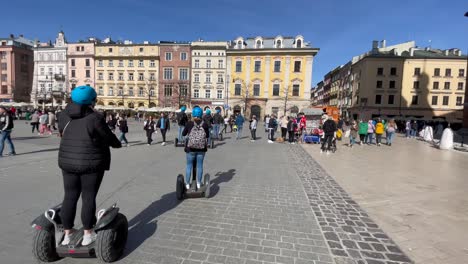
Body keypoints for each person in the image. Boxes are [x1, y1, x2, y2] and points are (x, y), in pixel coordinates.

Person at [57, 86, 121, 246]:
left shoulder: (63, 115)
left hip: (68, 162)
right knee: (88, 197)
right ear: (92, 100)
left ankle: (67, 234)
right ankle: (88, 234)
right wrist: (116, 144)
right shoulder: (95, 118)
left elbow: (62, 132)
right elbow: (108, 137)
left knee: (69, 196)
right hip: (91, 164)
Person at [182, 107, 210, 190]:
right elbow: (207, 136)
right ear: (201, 114)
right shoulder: (204, 124)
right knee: (200, 166)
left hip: (190, 149)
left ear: (193, 114)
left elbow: (183, 134)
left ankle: (187, 184)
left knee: (189, 166)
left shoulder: (189, 123)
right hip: (201, 149)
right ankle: (198, 183)